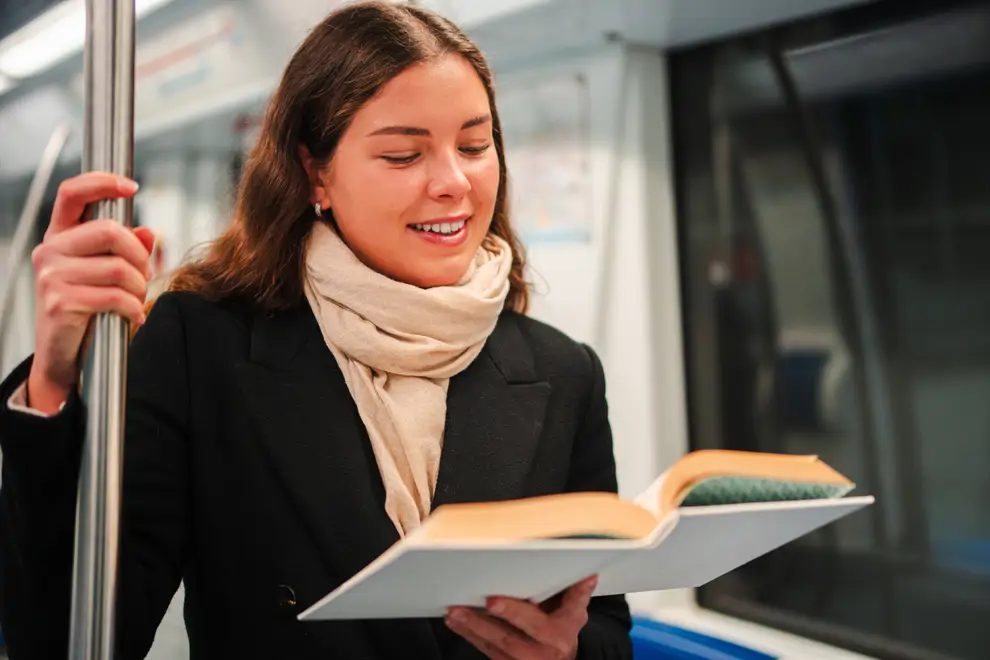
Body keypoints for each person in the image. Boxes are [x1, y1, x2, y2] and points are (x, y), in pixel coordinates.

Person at [0, 2, 632, 659]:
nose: (453, 182)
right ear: (315, 173)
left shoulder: (563, 372)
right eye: (403, 154)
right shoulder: (203, 346)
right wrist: (52, 376)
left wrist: (570, 652)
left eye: (475, 146)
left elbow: (606, 623)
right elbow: (67, 637)